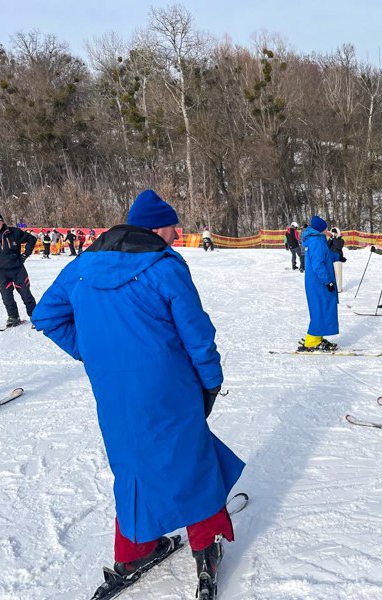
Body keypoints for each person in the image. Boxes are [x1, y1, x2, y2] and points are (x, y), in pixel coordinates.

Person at [32, 189, 245, 598]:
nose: (177, 233)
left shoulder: (82, 265)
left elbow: (46, 316)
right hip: (170, 386)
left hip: (114, 392)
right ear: (154, 227)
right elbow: (197, 335)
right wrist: (211, 381)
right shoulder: (165, 267)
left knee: (131, 463)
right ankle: (205, 545)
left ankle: (134, 550)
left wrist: (95, 353)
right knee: (192, 461)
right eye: (172, 225)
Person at [0, 211, 38, 329]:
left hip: (17, 269)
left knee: (26, 293)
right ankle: (13, 317)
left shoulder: (14, 232)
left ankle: (35, 316)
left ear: (2, 222)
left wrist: (25, 255)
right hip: (1, 271)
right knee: (6, 295)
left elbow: (31, 239)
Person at [298, 215, 341, 352]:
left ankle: (317, 337)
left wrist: (337, 257)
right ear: (320, 229)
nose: (327, 230)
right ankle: (312, 340)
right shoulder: (316, 242)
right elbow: (318, 265)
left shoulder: (316, 240)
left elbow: (325, 256)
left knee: (322, 309)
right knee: (320, 310)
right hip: (319, 283)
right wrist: (327, 282)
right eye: (325, 228)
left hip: (316, 283)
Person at [328, 227, 346, 293]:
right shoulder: (332, 239)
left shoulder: (341, 240)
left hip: (338, 258)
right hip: (331, 257)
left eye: (335, 233)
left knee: (338, 273)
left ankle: (339, 288)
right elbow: (327, 246)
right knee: (331, 272)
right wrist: (330, 239)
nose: (334, 234)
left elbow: (338, 246)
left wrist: (334, 238)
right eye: (333, 233)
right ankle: (332, 286)